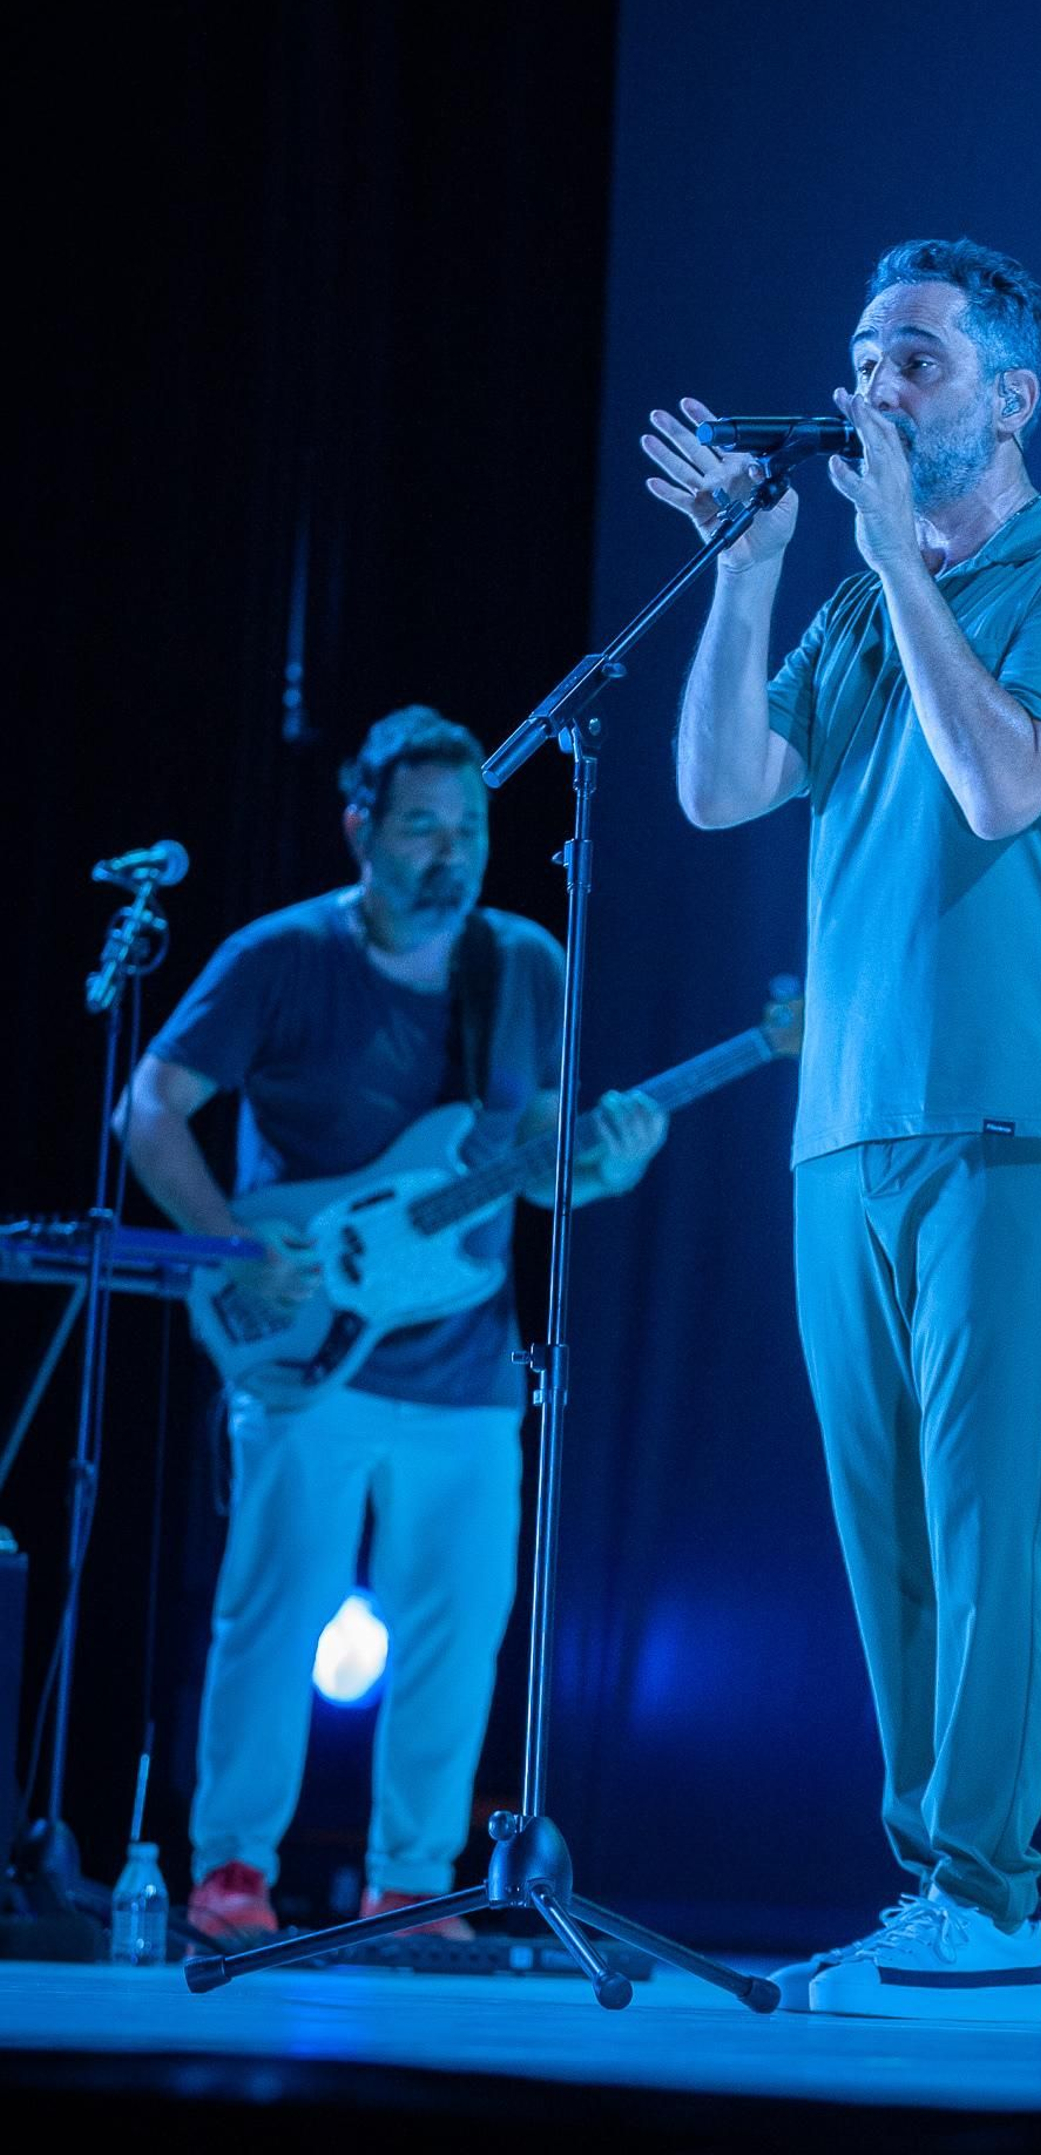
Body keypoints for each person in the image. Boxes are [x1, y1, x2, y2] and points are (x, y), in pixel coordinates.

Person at [647, 237, 1041, 2019]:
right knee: (891, 1540)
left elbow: (1007, 779)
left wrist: (888, 563)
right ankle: (936, 1888)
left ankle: (988, 1893)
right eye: (864, 357)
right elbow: (721, 787)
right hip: (847, 1126)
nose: (872, 389)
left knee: (989, 1517)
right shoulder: (866, 597)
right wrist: (751, 574)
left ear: (1010, 394)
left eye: (916, 363)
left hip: (1017, 1117)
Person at [122, 705, 668, 1942]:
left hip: (467, 1365)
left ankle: (414, 1885)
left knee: (457, 1634)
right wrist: (236, 1239)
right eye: (422, 825)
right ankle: (231, 1874)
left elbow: (530, 1164)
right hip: (310, 1354)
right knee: (271, 1614)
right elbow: (151, 1104)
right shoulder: (279, 957)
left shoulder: (523, 963)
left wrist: (604, 1167)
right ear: (361, 824)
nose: (450, 853)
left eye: (469, 828)